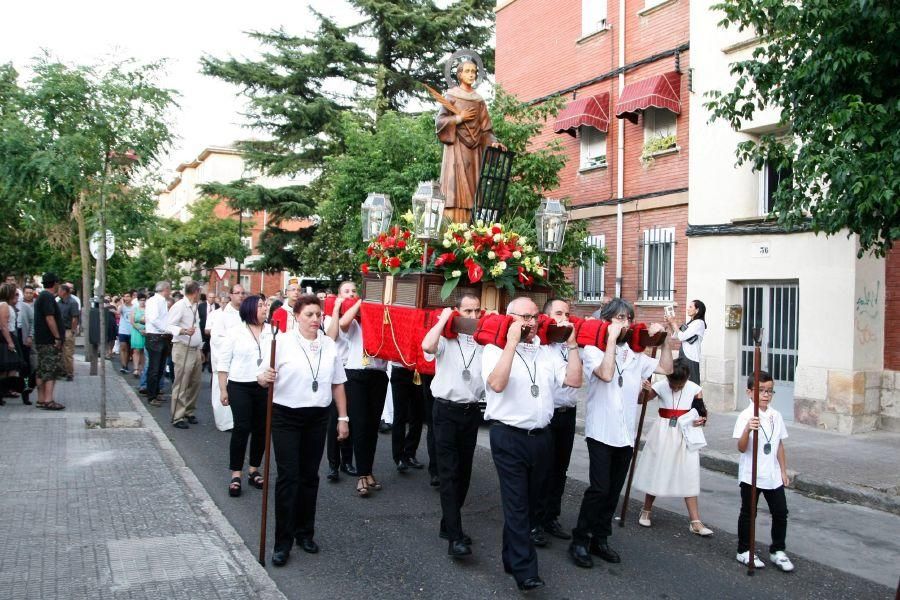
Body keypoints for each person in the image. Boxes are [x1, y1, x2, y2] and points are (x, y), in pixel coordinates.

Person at [483, 297, 582, 591]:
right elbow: (497, 384)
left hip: (541, 437)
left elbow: (574, 381)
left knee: (529, 505)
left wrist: (572, 344)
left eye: (533, 317)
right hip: (508, 436)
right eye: (522, 317)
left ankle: (511, 558)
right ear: (508, 318)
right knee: (516, 504)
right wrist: (511, 343)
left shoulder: (548, 352)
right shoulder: (492, 349)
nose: (529, 323)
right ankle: (526, 571)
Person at [569, 298, 672, 569]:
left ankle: (600, 538)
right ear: (607, 321)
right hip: (601, 431)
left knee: (613, 491)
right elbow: (605, 374)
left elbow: (667, 369)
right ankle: (580, 539)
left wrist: (664, 341)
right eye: (618, 318)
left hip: (625, 433)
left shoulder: (637, 354)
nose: (625, 323)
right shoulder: (592, 349)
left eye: (628, 318)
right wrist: (611, 340)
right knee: (599, 489)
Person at [257, 294, 350, 567]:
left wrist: (343, 418)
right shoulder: (280, 343)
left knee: (310, 476)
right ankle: (282, 542)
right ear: (296, 316)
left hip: (317, 417)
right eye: (309, 314)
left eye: (318, 315)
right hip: (285, 415)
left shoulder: (329, 345)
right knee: (289, 477)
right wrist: (266, 377)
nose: (314, 319)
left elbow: (338, 384)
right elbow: (261, 377)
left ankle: (304, 533)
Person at [421, 293, 484, 558]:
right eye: (466, 311)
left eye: (476, 311)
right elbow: (427, 345)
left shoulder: (483, 340)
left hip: (470, 413)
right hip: (446, 411)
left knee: (464, 475)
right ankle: (455, 537)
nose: (471, 316)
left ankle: (449, 524)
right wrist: (444, 319)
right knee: (448, 473)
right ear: (456, 311)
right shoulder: (447, 338)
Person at [633, 357, 712, 536]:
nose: (676, 388)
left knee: (689, 472)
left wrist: (702, 419)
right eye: (673, 384)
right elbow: (641, 401)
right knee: (657, 467)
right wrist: (644, 391)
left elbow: (701, 412)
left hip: (685, 432)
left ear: (687, 379)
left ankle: (695, 520)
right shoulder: (660, 386)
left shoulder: (694, 389)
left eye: (680, 385)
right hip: (663, 432)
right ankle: (646, 509)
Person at [733, 370, 794, 572]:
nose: (766, 394)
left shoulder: (776, 416)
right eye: (761, 390)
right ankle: (744, 550)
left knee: (780, 512)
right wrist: (748, 429)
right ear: (750, 392)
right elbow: (741, 448)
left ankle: (777, 550)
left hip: (772, 474)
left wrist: (783, 471)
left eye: (769, 391)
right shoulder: (745, 416)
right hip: (751, 473)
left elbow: (779, 445)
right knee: (749, 512)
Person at [533, 299, 580, 544]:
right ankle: (536, 522)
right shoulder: (543, 345)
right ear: (547, 317)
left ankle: (552, 517)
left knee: (560, 470)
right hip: (548, 414)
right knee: (543, 470)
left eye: (567, 314)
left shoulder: (572, 344)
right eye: (558, 313)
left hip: (568, 414)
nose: (564, 318)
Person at [436, 58, 505, 223]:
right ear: (459, 75)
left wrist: (493, 142)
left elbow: (486, 130)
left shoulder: (479, 101)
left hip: (473, 154)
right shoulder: (451, 96)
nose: (471, 75)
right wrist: (460, 118)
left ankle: (469, 229)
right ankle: (453, 227)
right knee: (454, 189)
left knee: (473, 194)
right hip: (456, 149)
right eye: (467, 71)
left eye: (474, 71)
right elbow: (440, 123)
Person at [218, 295, 271, 497]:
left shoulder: (273, 331)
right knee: (242, 427)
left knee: (261, 429)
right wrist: (223, 389)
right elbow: (223, 363)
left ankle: (254, 469)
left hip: (264, 387)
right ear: (250, 309)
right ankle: (236, 474)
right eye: (260, 306)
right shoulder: (235, 332)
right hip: (240, 385)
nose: (265, 308)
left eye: (265, 305)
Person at [340, 287, 389, 498]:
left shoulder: (384, 320)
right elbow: (342, 324)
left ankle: (368, 471)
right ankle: (361, 474)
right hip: (356, 374)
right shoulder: (356, 322)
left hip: (378, 375)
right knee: (359, 425)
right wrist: (362, 302)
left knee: (371, 427)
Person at [322, 281, 356, 482]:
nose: (351, 294)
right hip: (336, 372)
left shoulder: (358, 317)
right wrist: (336, 309)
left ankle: (347, 461)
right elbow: (331, 337)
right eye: (346, 291)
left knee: (349, 417)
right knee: (335, 419)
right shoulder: (328, 318)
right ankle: (333, 464)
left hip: (353, 371)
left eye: (353, 291)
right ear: (339, 294)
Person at [166, 281, 203, 429]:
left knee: (195, 382)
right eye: (199, 291)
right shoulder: (180, 306)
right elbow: (168, 326)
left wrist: (200, 347)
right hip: (183, 348)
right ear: (195, 292)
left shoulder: (194, 306)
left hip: (194, 349)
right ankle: (177, 416)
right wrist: (183, 331)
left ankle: (188, 411)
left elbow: (197, 328)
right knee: (181, 383)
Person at [207, 284, 244, 431]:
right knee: (222, 390)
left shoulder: (245, 314)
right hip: (225, 359)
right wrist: (232, 344)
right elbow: (216, 339)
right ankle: (224, 423)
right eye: (237, 293)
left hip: (239, 360)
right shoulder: (222, 315)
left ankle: (237, 420)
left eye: (242, 293)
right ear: (231, 295)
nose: (240, 295)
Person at [33, 273, 66, 410]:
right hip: (48, 340)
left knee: (41, 370)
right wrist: (57, 337)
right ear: (55, 283)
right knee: (50, 370)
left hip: (41, 339)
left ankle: (41, 399)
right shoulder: (47, 297)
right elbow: (50, 318)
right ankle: (48, 400)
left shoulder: (42, 296)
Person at [144, 281, 172, 407]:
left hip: (161, 337)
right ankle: (151, 396)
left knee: (160, 368)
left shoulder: (162, 301)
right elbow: (154, 319)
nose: (170, 292)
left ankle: (155, 393)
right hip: (155, 337)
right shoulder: (154, 301)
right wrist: (166, 329)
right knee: (154, 369)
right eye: (169, 289)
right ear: (165, 289)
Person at [666, 299, 706, 385]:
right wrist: (670, 324)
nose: (688, 309)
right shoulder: (690, 324)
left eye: (690, 307)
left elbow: (682, 336)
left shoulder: (699, 323)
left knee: (693, 383)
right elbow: (676, 336)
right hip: (683, 355)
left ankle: (697, 399)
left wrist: (674, 322)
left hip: (691, 357)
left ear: (697, 310)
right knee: (683, 381)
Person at [0, 283, 24, 401]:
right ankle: (4, 389)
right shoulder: (4, 305)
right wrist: (10, 342)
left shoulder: (6, 305)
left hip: (8, 335)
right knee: (7, 365)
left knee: (9, 365)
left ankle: (6, 389)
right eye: (14, 293)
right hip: (6, 337)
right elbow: (4, 325)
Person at [56, 284, 80, 381]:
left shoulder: (72, 302)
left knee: (68, 352)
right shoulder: (59, 302)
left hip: (68, 329)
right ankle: (62, 371)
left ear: (64, 292)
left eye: (59, 290)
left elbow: (75, 318)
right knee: (60, 352)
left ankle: (69, 373)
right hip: (60, 330)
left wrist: (73, 330)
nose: (58, 292)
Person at [117, 290, 134, 374]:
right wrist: (122, 304)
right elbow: (118, 313)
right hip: (123, 330)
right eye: (125, 296)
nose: (126, 298)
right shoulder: (122, 306)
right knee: (123, 347)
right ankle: (123, 366)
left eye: (128, 296)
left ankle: (126, 364)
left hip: (132, 331)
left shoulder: (134, 307)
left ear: (131, 297)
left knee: (130, 349)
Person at [129, 293, 146, 378]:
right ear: (138, 301)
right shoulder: (134, 309)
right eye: (141, 300)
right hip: (136, 331)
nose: (142, 302)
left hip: (146, 331)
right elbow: (132, 321)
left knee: (143, 351)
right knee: (136, 350)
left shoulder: (148, 309)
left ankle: (143, 368)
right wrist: (140, 329)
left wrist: (145, 330)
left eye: (144, 300)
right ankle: (136, 368)